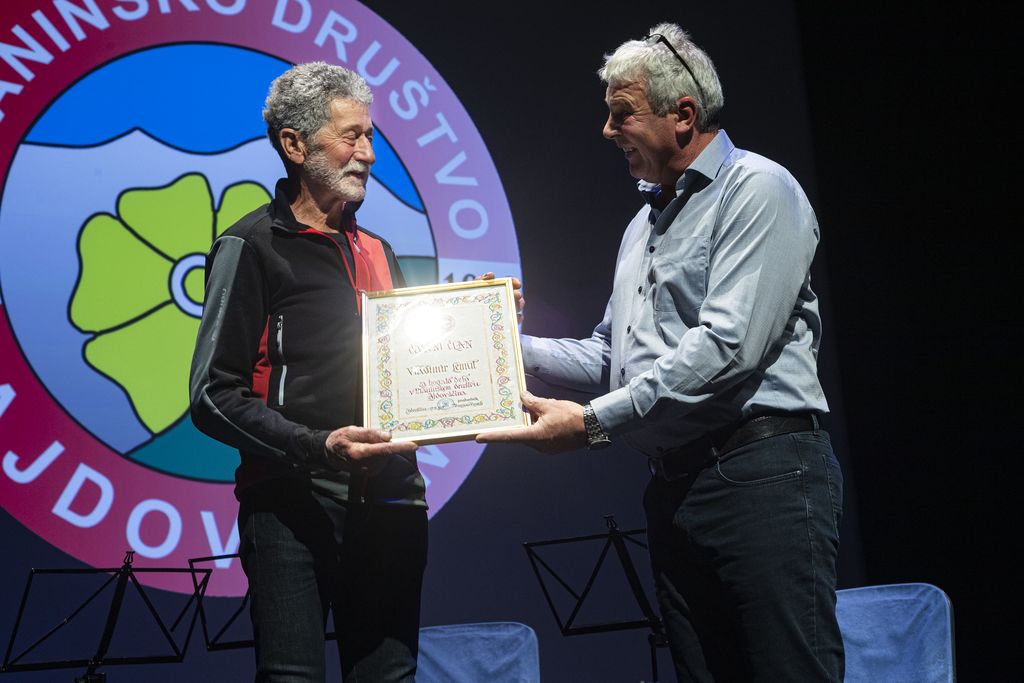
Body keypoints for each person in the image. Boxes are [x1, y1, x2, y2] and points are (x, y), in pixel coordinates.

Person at [479, 23, 845, 682]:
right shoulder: (641, 225)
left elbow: (727, 349)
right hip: (675, 490)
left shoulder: (758, 190)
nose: (606, 130)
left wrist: (592, 424)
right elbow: (611, 357)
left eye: (622, 113)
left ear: (683, 115)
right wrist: (497, 340)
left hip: (761, 476)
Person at [190, 62, 427, 682]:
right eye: (352, 137)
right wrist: (316, 445)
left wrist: (485, 325)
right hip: (291, 506)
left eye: (370, 136)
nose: (369, 154)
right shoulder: (250, 246)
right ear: (294, 145)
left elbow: (413, 374)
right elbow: (213, 395)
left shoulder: (378, 250)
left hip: (392, 503)